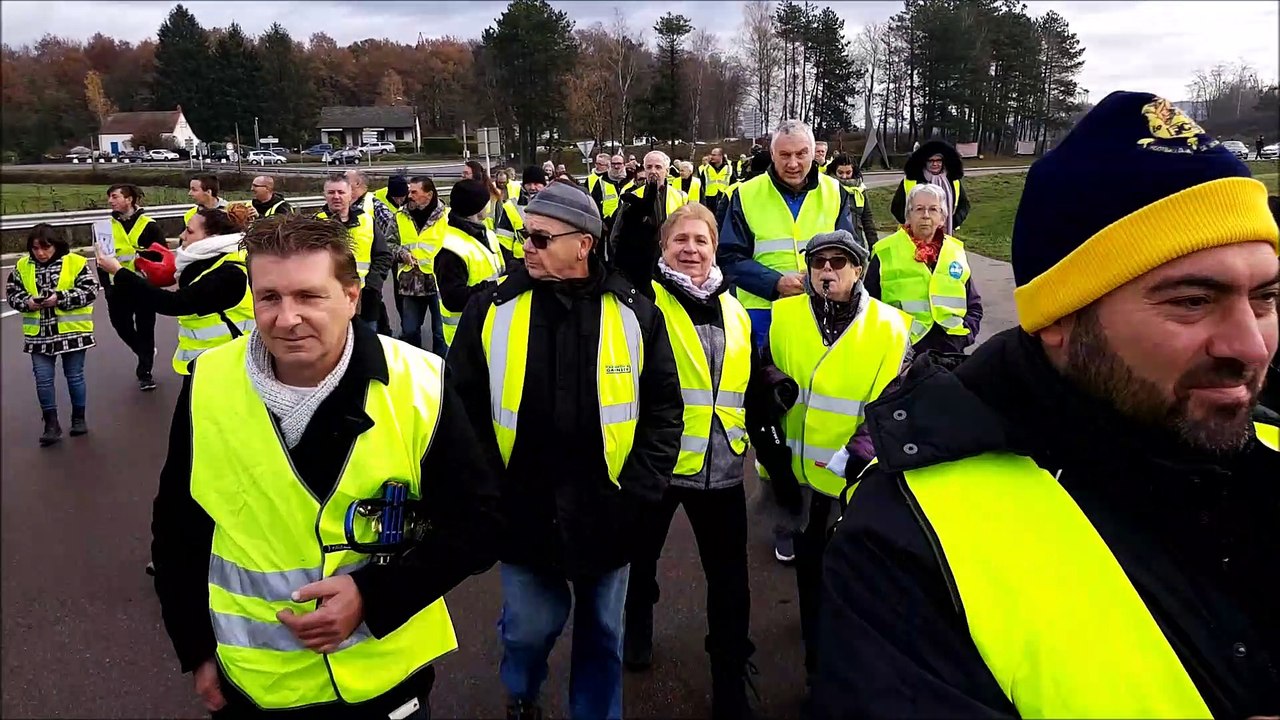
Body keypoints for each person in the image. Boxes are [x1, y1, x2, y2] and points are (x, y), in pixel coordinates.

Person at [810, 92, 1280, 717]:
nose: (1250, 345)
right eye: (1192, 300)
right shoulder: (907, 545)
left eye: (1267, 298)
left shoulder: (1267, 448)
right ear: (1058, 318)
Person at [151, 214, 502, 719]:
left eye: (309, 297)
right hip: (254, 684)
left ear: (352, 297)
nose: (286, 318)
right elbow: (179, 529)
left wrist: (371, 597)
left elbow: (480, 522)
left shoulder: (421, 382)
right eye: (269, 297)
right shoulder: (208, 380)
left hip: (383, 678)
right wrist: (196, 652)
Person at [446, 181, 682, 720]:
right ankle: (522, 692)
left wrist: (640, 491)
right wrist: (486, 489)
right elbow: (459, 404)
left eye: (539, 237)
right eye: (524, 235)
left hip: (608, 511)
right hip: (522, 508)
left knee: (603, 636)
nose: (525, 246)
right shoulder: (493, 307)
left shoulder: (635, 313)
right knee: (529, 630)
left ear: (584, 245)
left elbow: (665, 410)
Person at [611, 201, 758, 719]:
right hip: (659, 465)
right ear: (664, 247)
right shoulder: (644, 300)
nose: (692, 249)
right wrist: (637, 215)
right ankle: (638, 630)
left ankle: (731, 680)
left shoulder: (735, 308)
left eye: (702, 241)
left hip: (723, 468)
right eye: (681, 240)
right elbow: (623, 257)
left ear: (715, 249)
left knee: (730, 585)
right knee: (640, 561)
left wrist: (771, 387)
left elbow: (747, 374)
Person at [762, 229, 911, 677]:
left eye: (838, 263)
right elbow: (764, 365)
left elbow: (894, 400)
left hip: (856, 476)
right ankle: (815, 663)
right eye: (819, 262)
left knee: (852, 575)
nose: (827, 271)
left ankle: (849, 660)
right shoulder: (784, 314)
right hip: (797, 472)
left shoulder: (889, 326)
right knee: (809, 572)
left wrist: (858, 453)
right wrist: (774, 385)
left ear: (859, 270)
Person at [716, 120, 858, 565]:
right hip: (764, 322)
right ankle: (784, 517)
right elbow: (729, 257)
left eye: (801, 153)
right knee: (773, 422)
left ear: (815, 152)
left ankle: (828, 513)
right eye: (784, 155)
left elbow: (855, 249)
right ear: (772, 155)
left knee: (825, 412)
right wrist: (777, 283)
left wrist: (830, 282)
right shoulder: (746, 194)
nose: (793, 162)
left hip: (825, 318)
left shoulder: (835, 193)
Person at [96, 204, 256, 376]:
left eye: (189, 231)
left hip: (226, 362)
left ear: (213, 237)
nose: (182, 236)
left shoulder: (230, 273)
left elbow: (173, 303)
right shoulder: (214, 261)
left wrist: (119, 272)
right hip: (210, 360)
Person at [866, 183, 984, 354]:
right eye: (919, 209)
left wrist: (964, 337)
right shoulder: (885, 251)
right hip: (903, 352)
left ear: (942, 218)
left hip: (950, 350)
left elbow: (973, 305)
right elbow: (868, 307)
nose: (926, 215)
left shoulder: (955, 251)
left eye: (933, 209)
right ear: (908, 215)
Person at [6, 223, 97, 445]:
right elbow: (12, 294)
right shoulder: (22, 266)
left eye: (46, 248)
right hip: (39, 334)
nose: (41, 253)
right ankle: (51, 424)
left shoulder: (75, 262)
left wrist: (61, 298)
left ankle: (78, 419)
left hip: (72, 332)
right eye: (36, 248)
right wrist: (27, 302)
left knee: (74, 376)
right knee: (43, 380)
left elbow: (90, 291)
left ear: (56, 245)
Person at [101, 183, 166, 391]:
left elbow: (161, 255)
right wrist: (106, 286)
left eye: (114, 196)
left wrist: (141, 256)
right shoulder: (105, 226)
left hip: (143, 285)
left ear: (129, 199)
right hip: (117, 287)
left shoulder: (150, 225)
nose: (110, 201)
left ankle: (145, 372)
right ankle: (144, 351)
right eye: (109, 197)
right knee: (122, 326)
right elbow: (100, 257)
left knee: (146, 328)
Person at [315, 173, 395, 334]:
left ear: (350, 194)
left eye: (341, 192)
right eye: (331, 193)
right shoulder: (316, 223)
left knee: (366, 347)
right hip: (328, 298)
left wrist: (373, 285)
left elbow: (383, 255)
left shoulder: (366, 221)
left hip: (365, 299)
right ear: (324, 195)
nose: (336, 197)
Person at [433, 179, 506, 351]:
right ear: (478, 207)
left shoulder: (485, 233)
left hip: (490, 326)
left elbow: (502, 266)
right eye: (487, 200)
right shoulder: (450, 248)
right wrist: (495, 287)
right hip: (464, 337)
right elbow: (454, 299)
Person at [394, 176, 448, 353]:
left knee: (441, 334)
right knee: (409, 331)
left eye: (414, 192)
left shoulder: (446, 217)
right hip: (410, 282)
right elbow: (388, 243)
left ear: (429, 194)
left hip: (438, 281)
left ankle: (443, 374)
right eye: (409, 191)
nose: (409, 195)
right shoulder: (400, 216)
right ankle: (415, 370)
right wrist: (402, 253)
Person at [607, 151, 689, 262]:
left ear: (667, 171)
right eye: (649, 167)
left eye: (658, 167)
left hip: (673, 261)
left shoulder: (681, 197)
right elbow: (616, 236)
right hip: (641, 263)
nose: (653, 171)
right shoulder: (633, 197)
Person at [890, 140, 970, 234]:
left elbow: (964, 205)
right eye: (931, 161)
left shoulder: (953, 181)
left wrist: (953, 222)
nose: (935, 164)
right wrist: (914, 224)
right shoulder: (911, 181)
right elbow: (896, 207)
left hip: (944, 232)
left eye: (938, 160)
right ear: (924, 162)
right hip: (913, 234)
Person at [494, 167, 548, 267]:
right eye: (528, 184)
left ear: (544, 185)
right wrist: (512, 264)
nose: (532, 187)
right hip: (521, 263)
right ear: (523, 186)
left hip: (549, 262)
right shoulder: (510, 207)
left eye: (536, 184)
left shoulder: (554, 206)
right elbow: (503, 241)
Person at [828, 154, 877, 246]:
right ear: (834, 171)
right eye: (840, 172)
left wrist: (873, 245)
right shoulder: (828, 187)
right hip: (833, 243)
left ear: (853, 171)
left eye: (848, 172)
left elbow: (867, 220)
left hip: (856, 243)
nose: (844, 176)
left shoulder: (860, 190)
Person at [590, 155, 629, 223]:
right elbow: (594, 204)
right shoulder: (601, 181)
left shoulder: (630, 180)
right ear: (610, 165)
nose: (616, 166)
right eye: (613, 164)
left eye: (619, 163)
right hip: (608, 225)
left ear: (624, 164)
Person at [700, 147, 735, 215]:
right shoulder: (706, 168)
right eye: (711, 154)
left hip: (724, 197)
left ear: (721, 156)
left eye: (714, 155)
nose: (711, 157)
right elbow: (702, 183)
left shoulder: (729, 168)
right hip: (710, 197)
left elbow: (733, 183)